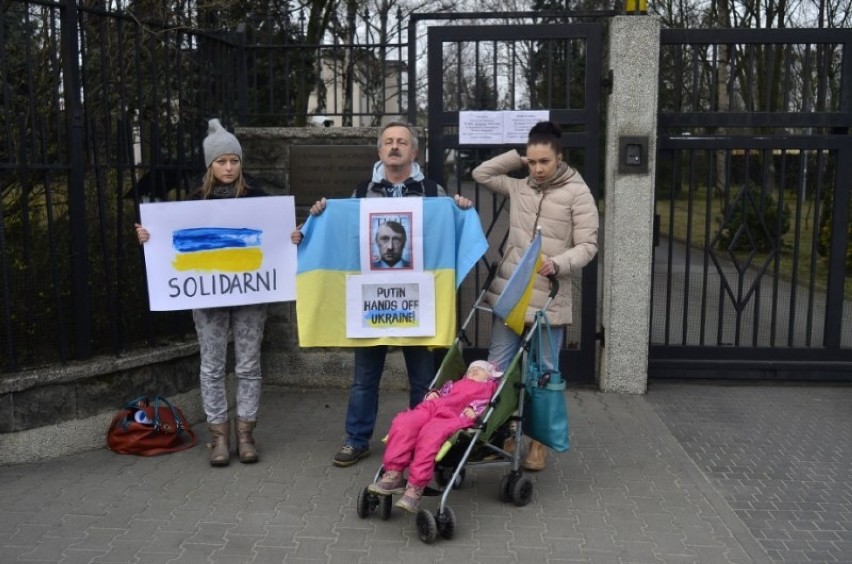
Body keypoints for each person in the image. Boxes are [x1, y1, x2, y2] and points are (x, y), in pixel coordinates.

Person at [290, 120, 473, 467]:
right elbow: (342, 235)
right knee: (364, 379)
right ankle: (356, 440)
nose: (394, 147)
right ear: (379, 151)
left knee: (423, 379)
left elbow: (450, 232)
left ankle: (424, 440)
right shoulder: (361, 192)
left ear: (414, 151)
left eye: (401, 142)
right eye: (388, 141)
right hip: (372, 302)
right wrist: (312, 223)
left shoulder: (434, 193)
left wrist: (461, 210)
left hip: (418, 303)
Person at [135, 118, 269, 467]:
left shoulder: (259, 196)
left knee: (249, 364)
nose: (228, 167)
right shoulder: (195, 200)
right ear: (210, 164)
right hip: (208, 295)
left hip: (250, 294)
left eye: (234, 160)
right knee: (211, 366)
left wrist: (292, 236)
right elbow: (171, 240)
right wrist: (149, 237)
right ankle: (219, 438)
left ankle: (245, 435)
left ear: (241, 163)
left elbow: (276, 236)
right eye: (221, 161)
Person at [472, 120, 599, 472]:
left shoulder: (578, 192)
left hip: (548, 299)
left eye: (544, 161)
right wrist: (518, 154)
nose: (538, 169)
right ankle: (504, 433)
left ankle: (538, 444)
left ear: (559, 157)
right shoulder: (519, 187)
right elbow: (481, 173)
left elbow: (589, 245)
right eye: (532, 161)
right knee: (497, 370)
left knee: (544, 374)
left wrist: (559, 263)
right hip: (511, 295)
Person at [368, 360, 503, 512]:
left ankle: (415, 487)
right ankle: (393, 474)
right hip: (432, 408)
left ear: (490, 376)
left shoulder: (488, 387)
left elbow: (485, 404)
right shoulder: (455, 383)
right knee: (403, 422)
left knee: (429, 436)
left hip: (453, 416)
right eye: (471, 369)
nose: (474, 371)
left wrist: (475, 411)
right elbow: (443, 393)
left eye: (480, 369)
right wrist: (434, 393)